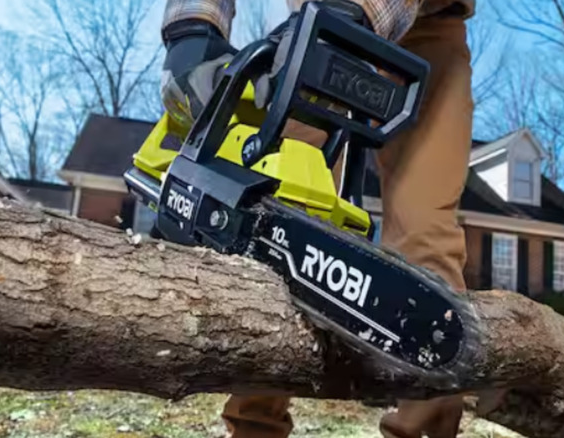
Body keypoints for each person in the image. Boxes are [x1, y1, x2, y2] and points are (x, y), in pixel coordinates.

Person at [160, 1, 476, 437]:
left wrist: (352, 10)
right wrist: (192, 26)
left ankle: (423, 429)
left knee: (426, 235)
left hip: (424, 27)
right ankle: (254, 428)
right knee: (274, 213)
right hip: (317, 18)